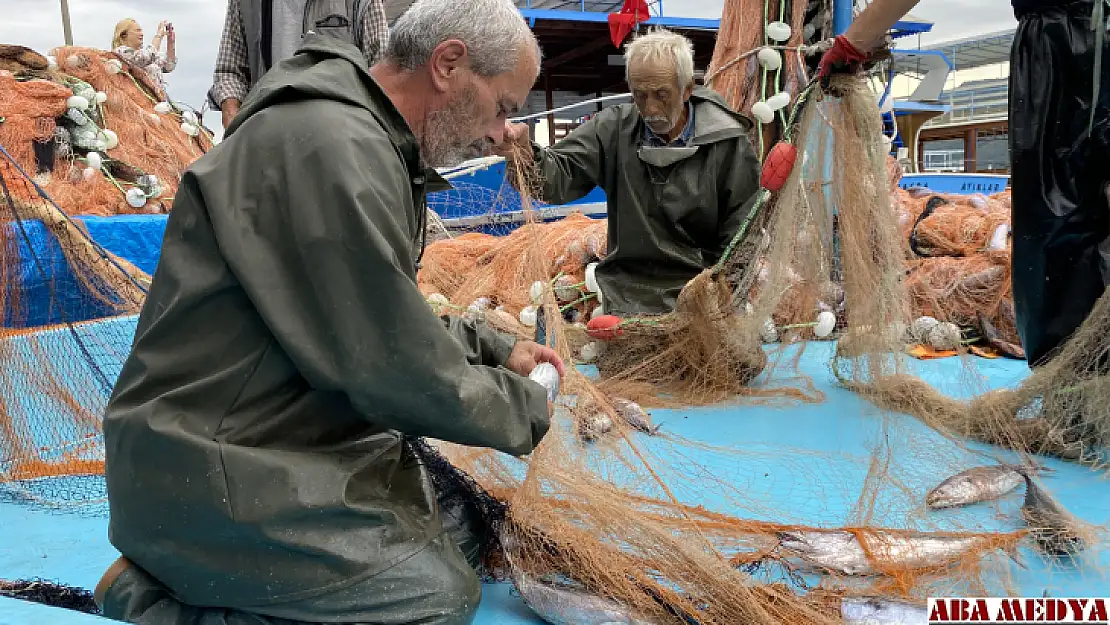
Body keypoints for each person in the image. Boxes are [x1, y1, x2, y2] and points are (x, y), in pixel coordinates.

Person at [92, 0, 560, 623]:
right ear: (448, 64)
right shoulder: (334, 147)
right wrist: (528, 405)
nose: (502, 132)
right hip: (209, 459)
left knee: (466, 532)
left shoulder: (361, 138)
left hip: (277, 429)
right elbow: (388, 367)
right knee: (431, 600)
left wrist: (491, 348)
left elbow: (368, 311)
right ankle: (151, 598)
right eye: (504, 107)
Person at [819, 0, 1109, 369]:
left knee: (1060, 237)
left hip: (1065, 40)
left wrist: (854, 41)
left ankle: (1075, 397)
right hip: (1075, 33)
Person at [497, 28, 761, 318]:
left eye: (662, 95)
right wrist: (523, 154)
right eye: (639, 95)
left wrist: (722, 290)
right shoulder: (613, 130)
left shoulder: (726, 143)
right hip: (628, 293)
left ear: (687, 89)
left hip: (703, 292)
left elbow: (743, 225)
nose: (649, 109)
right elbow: (557, 178)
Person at [208, 0, 389, 130]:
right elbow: (230, 72)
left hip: (341, 145)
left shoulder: (363, 3)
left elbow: (383, 75)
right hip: (268, 143)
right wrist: (234, 124)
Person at [111, 18, 176, 94]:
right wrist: (158, 35)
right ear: (124, 34)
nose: (142, 34)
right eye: (137, 30)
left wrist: (171, 43)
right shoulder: (120, 52)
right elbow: (146, 57)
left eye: (141, 31)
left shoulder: (144, 54)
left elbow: (169, 66)